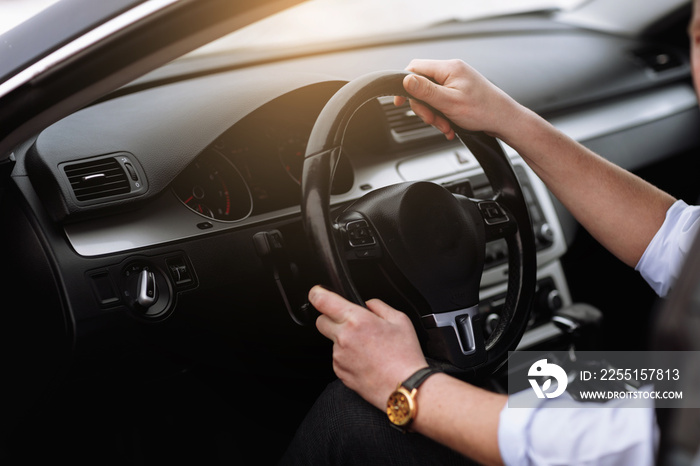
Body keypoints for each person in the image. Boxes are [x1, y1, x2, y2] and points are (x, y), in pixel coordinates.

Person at [280, 1, 700, 464]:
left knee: (350, 415)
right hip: (686, 385)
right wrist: (506, 118)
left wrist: (408, 384)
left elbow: (626, 444)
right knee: (542, 374)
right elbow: (676, 237)